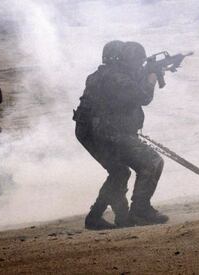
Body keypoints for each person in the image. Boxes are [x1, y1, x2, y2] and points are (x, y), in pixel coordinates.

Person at [73, 40, 168, 230]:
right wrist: (151, 75)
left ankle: (106, 216)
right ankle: (140, 210)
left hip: (91, 133)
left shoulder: (101, 75)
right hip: (108, 133)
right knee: (152, 162)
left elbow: (122, 99)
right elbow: (143, 97)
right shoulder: (116, 78)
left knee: (119, 172)